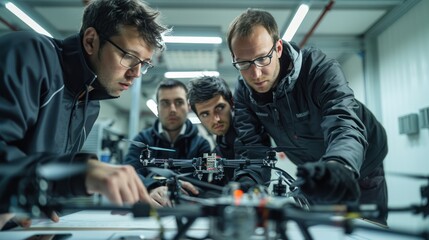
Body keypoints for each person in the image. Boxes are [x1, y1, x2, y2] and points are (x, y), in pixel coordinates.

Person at [0, 0, 169, 228]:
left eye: (144, 64)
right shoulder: (28, 54)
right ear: (91, 41)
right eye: (129, 56)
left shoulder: (89, 104)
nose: (136, 74)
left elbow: (38, 178)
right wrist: (80, 173)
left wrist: (41, 214)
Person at [227, 9, 388, 225]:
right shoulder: (244, 92)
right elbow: (253, 149)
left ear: (278, 48)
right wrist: (246, 187)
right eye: (243, 63)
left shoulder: (319, 70)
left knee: (365, 230)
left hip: (359, 162)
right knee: (321, 230)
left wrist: (338, 166)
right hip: (312, 171)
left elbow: (344, 123)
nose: (255, 74)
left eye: (262, 59)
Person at [124, 79, 210, 205]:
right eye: (165, 103)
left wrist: (174, 187)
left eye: (179, 102)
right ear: (157, 108)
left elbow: (204, 182)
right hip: (152, 208)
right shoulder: (142, 140)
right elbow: (130, 173)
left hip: (186, 210)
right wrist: (152, 187)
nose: (172, 109)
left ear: (188, 106)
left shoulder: (202, 145)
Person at [187, 76, 271, 189]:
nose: (216, 119)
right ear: (198, 117)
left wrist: (242, 187)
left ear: (231, 103)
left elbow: (253, 168)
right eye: (205, 114)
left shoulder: (247, 130)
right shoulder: (220, 145)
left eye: (220, 107)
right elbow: (210, 175)